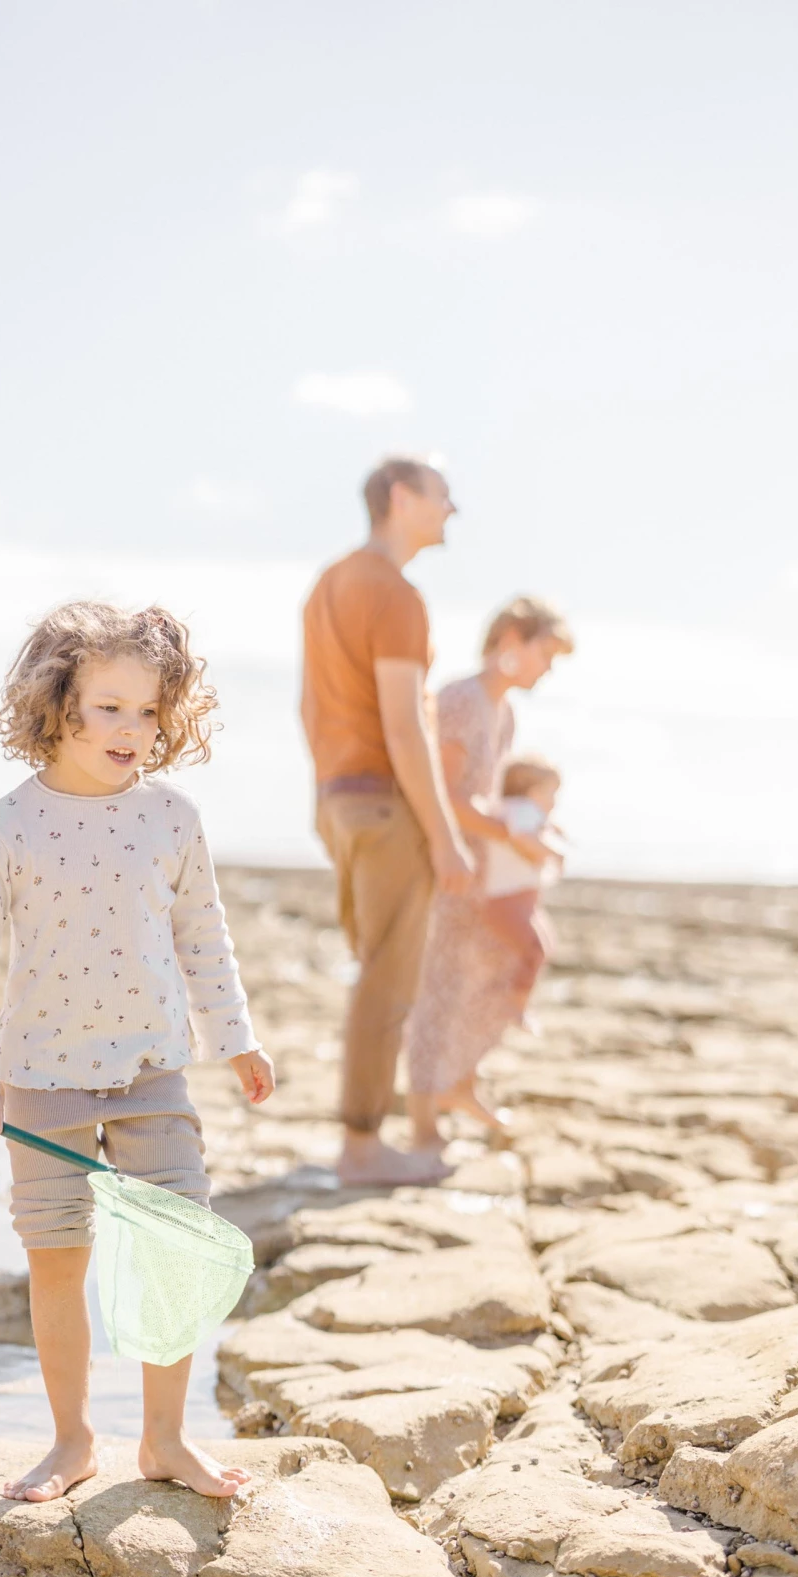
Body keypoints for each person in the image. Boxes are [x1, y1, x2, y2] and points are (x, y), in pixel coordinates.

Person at [0, 601, 275, 1504]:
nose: (136, 728)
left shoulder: (171, 818)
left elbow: (206, 937)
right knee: (57, 1256)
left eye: (152, 711)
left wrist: (237, 1038)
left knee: (173, 1246)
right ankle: (72, 1439)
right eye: (112, 706)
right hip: (40, 1076)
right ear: (59, 704)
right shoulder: (6, 826)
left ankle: (163, 1437)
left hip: (153, 1071)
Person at [301, 457, 473, 1187]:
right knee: (387, 981)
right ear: (401, 500)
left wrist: (331, 797)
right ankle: (363, 1150)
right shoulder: (397, 594)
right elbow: (406, 728)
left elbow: (309, 708)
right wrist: (445, 835)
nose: (453, 509)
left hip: (339, 797)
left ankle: (362, 1140)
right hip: (383, 801)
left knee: (373, 972)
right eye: (442, 496)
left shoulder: (328, 584)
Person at [406, 599, 573, 1150]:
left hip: (485, 875)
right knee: (441, 991)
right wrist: (513, 837)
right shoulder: (461, 700)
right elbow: (448, 797)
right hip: (448, 868)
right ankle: (425, 1121)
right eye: (544, 654)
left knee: (501, 971)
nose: (548, 668)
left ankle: (459, 1082)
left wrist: (528, 834)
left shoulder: (504, 714)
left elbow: (491, 802)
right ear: (510, 643)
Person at [483, 754, 563, 988]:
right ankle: (515, 1003)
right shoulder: (522, 809)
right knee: (534, 951)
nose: (554, 801)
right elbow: (520, 836)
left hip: (514, 900)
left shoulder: (518, 810)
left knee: (542, 948)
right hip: (508, 900)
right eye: (551, 793)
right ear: (531, 791)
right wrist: (554, 854)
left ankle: (517, 1001)